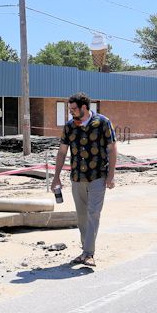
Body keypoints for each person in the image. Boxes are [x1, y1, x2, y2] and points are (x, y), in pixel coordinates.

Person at [51, 92, 117, 267]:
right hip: (77, 177)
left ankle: (89, 253)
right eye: (69, 109)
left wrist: (111, 175)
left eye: (73, 109)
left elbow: (112, 149)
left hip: (98, 176)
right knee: (81, 217)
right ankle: (85, 250)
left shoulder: (103, 123)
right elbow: (62, 152)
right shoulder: (69, 126)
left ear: (84, 108)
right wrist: (56, 177)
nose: (71, 112)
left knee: (93, 213)